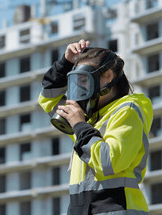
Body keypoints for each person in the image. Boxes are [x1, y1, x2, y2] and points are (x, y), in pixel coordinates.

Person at [38, 39, 153, 214]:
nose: (79, 88)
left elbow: (110, 162)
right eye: (76, 82)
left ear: (108, 76)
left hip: (117, 208)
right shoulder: (89, 119)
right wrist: (65, 62)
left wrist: (79, 125)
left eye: (84, 80)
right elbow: (47, 99)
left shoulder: (127, 110)